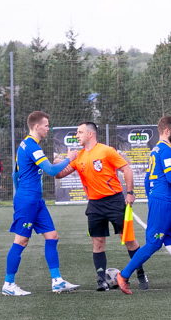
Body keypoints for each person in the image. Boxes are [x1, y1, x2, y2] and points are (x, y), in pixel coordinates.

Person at [55, 122, 147, 291]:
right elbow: (59, 174)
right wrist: (58, 160)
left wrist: (130, 192)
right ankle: (101, 280)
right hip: (95, 205)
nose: (77, 135)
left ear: (90, 134)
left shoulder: (106, 151)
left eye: (79, 132)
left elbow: (126, 169)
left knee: (128, 239)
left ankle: (141, 273)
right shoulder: (78, 156)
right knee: (97, 242)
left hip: (115, 201)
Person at [116, 116, 171, 294]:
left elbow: (148, 180)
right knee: (154, 244)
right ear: (166, 131)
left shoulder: (155, 150)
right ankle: (123, 275)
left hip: (165, 202)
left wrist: (152, 198)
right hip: (163, 203)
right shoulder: (166, 150)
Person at [3, 111, 80, 296]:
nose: (48, 128)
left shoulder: (27, 144)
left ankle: (57, 281)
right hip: (28, 200)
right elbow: (52, 171)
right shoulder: (31, 146)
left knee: (52, 236)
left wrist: (22, 192)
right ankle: (8, 284)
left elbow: (15, 174)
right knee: (21, 240)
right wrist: (70, 158)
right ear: (36, 126)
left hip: (34, 200)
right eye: (46, 125)